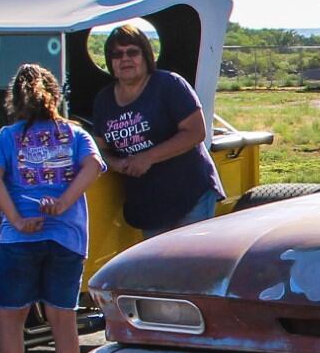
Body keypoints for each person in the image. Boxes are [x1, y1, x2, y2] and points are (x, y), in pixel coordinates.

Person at [0, 63, 103, 353]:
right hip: (66, 236)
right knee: (62, 319)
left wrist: (17, 219)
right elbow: (94, 166)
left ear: (14, 100)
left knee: (11, 317)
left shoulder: (6, 137)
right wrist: (64, 202)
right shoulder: (74, 133)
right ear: (56, 95)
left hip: (21, 236)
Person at [89, 18, 221, 234]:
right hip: (149, 203)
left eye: (132, 52)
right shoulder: (104, 100)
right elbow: (99, 147)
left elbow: (196, 132)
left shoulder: (169, 85)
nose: (125, 59)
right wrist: (116, 163)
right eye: (117, 54)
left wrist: (147, 157)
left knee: (191, 266)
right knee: (158, 267)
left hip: (188, 194)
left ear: (146, 56)